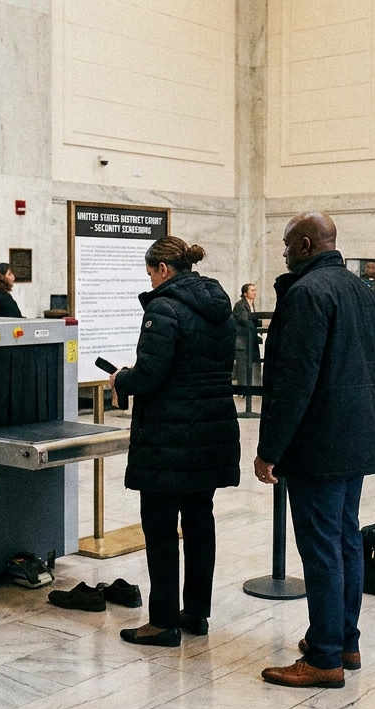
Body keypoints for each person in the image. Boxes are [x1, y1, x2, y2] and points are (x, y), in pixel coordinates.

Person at [255, 212, 375, 688]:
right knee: (345, 539)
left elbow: (293, 381)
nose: (284, 253)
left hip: (320, 444)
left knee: (322, 549)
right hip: (356, 436)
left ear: (306, 244)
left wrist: (269, 449)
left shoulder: (307, 293)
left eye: (287, 245)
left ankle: (325, 656)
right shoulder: (360, 291)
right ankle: (343, 638)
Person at [108, 237, 239, 647]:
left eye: (150, 272)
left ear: (163, 270)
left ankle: (163, 621)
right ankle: (196, 613)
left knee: (161, 527)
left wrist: (121, 380)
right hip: (212, 429)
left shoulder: (164, 307)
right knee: (200, 521)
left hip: (169, 434)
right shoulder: (221, 307)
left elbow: (151, 374)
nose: (149, 280)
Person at [232, 283, 260, 386]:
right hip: (242, 342)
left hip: (249, 340)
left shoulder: (251, 304)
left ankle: (251, 386)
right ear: (245, 293)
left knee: (251, 364)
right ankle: (243, 390)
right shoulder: (240, 305)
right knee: (243, 366)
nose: (255, 293)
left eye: (255, 290)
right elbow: (244, 320)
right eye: (252, 290)